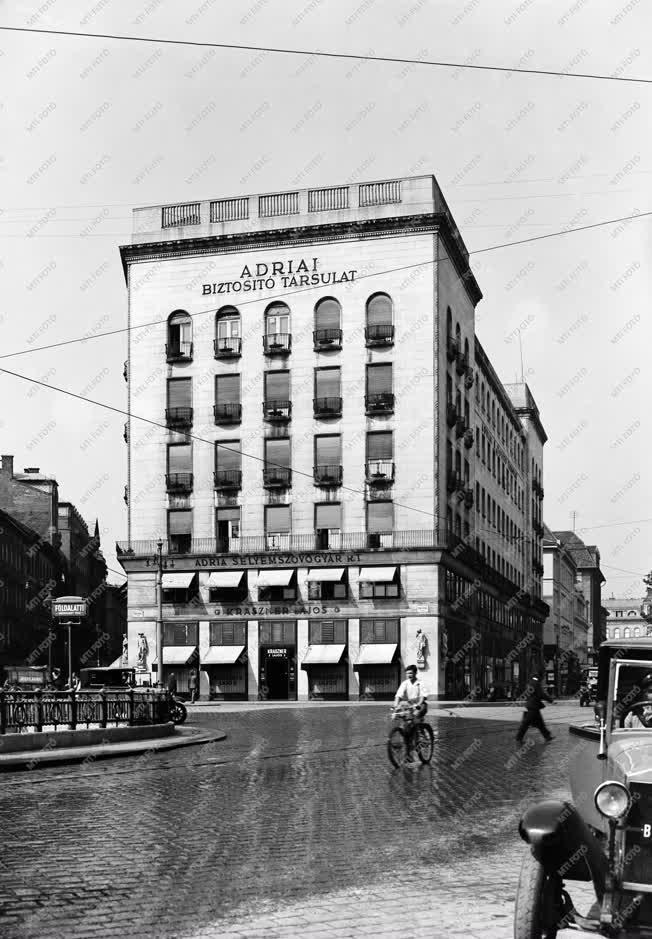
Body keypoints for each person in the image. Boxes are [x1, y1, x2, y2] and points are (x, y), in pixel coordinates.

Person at [516, 674, 554, 744]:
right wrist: (551, 700)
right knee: (526, 722)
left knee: (540, 723)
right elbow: (541, 694)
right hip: (534, 706)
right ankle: (519, 737)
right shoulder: (536, 683)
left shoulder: (530, 683)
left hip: (531, 705)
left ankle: (547, 736)